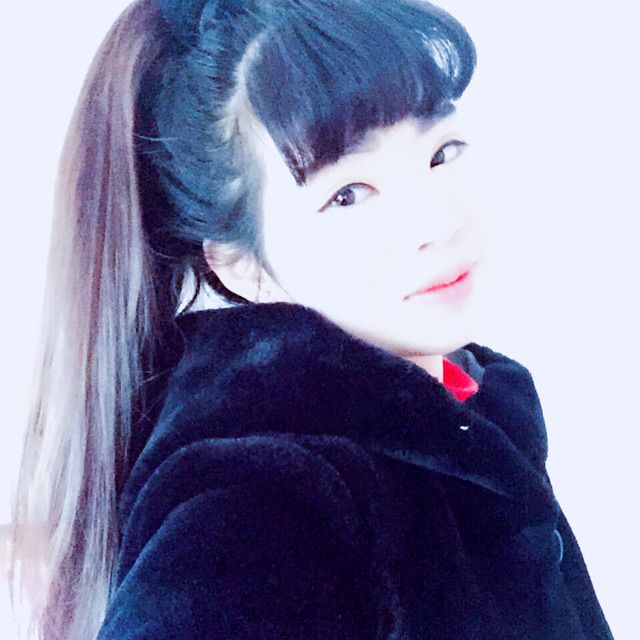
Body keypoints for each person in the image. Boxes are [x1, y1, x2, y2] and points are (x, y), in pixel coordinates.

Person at [8, 0, 614, 638]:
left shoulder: (466, 408)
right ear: (242, 266)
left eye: (442, 152)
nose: (439, 221)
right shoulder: (260, 505)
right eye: (347, 195)